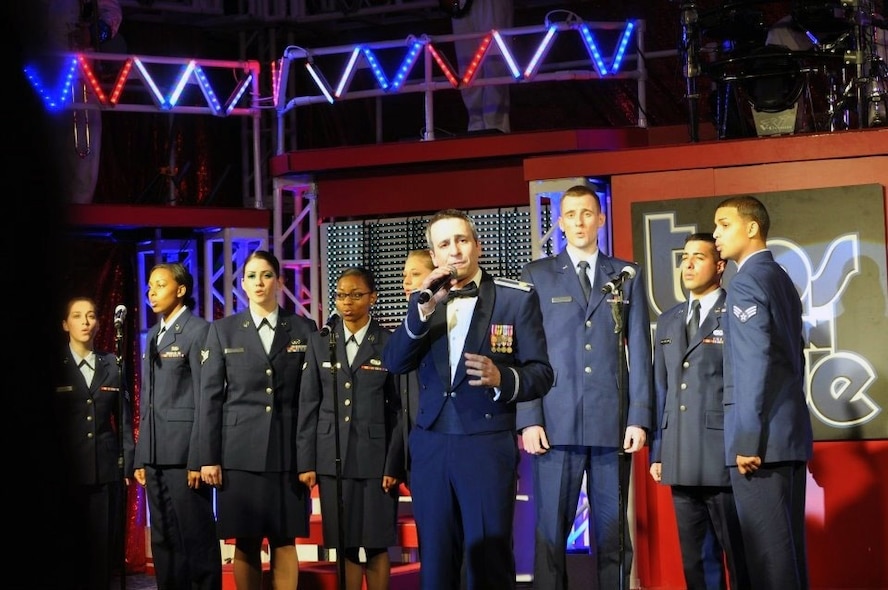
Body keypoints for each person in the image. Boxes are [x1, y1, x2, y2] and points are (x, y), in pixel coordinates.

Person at [382, 208, 554, 589]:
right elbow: (394, 363)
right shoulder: (425, 302)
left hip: (486, 444)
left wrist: (502, 377)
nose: (455, 250)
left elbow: (542, 373)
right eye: (444, 244)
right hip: (430, 446)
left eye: (462, 240)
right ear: (434, 255)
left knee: (488, 562)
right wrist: (421, 313)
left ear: (476, 245)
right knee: (438, 562)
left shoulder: (515, 299)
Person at [517, 184, 653, 590]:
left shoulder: (626, 274)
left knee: (613, 536)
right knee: (550, 535)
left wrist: (638, 416)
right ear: (559, 222)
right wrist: (529, 418)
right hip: (554, 425)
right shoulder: (537, 275)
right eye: (571, 214)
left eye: (587, 213)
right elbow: (525, 353)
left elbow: (640, 352)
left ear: (601, 219)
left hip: (611, 425)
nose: (579, 221)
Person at [199, 250, 318, 590]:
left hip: (287, 453)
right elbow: (210, 397)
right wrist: (209, 457)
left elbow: (309, 398)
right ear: (241, 284)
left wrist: (307, 457)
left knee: (285, 540)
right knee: (246, 542)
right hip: (239, 455)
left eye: (266, 275)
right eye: (251, 276)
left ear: (280, 281)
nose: (259, 282)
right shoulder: (224, 331)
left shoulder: (302, 328)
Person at [712, 195, 813, 590]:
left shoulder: (748, 281)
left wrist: (747, 440)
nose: (716, 234)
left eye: (724, 224)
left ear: (751, 228)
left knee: (769, 561)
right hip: (785, 436)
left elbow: (754, 365)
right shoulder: (780, 277)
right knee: (787, 556)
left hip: (762, 445)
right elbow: (795, 358)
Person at [648, 233, 749, 590]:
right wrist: (659, 450)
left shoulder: (736, 310)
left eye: (699, 258)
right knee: (695, 561)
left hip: (724, 454)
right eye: (684, 257)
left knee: (740, 558)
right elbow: (662, 389)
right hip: (679, 454)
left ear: (720, 266)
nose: (688, 265)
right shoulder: (669, 319)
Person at [297, 267, 404, 590]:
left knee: (374, 544)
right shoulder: (321, 342)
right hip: (333, 458)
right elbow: (308, 404)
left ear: (373, 297)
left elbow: (399, 410)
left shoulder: (389, 343)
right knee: (343, 543)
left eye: (356, 295)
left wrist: (393, 462)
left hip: (375, 460)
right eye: (341, 295)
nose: (347, 302)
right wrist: (307, 461)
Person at [134, 263, 222, 590]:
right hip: (156, 452)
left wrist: (199, 457)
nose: (151, 292)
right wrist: (142, 455)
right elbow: (147, 399)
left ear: (181, 289)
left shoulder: (199, 330)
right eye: (149, 286)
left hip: (185, 454)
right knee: (164, 538)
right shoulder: (154, 335)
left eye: (159, 285)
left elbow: (207, 398)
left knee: (196, 536)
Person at [53, 295, 134, 590]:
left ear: (99, 323)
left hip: (105, 469)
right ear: (65, 324)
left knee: (101, 550)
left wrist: (128, 464)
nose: (85, 322)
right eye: (77, 316)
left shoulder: (112, 364)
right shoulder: (54, 365)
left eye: (91, 316)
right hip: (67, 473)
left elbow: (123, 419)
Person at [450, 0, 514, 133]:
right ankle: (475, 125)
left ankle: (496, 125)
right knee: (467, 67)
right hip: (461, 4)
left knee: (494, 61)